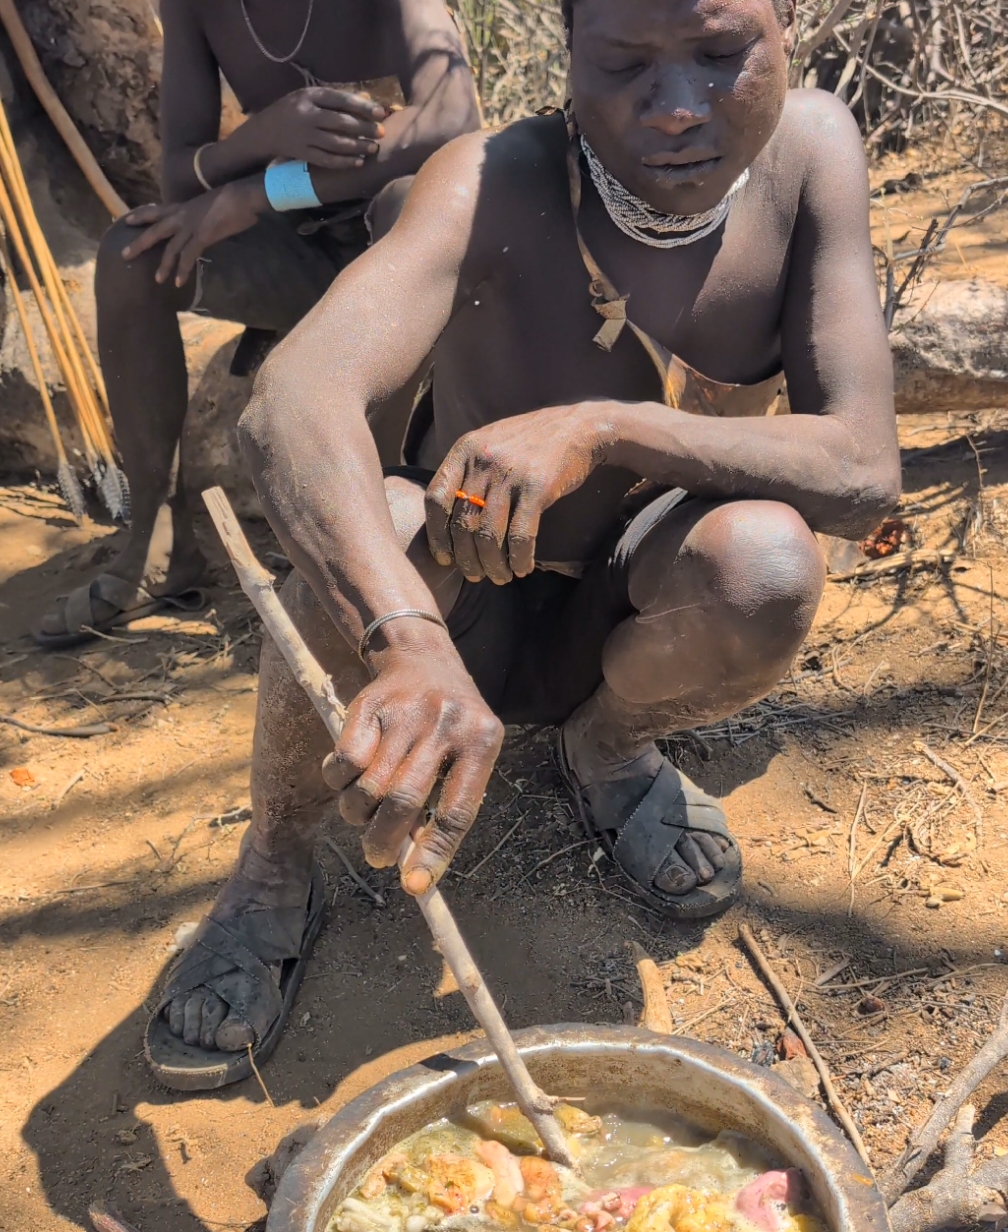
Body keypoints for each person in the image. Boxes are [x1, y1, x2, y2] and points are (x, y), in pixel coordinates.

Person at [145, 0, 900, 1091]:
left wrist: (600, 427)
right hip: (462, 616)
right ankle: (272, 867)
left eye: (722, 55)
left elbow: (864, 467)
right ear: (566, 60)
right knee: (377, 533)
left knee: (767, 566)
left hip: (640, 608)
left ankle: (611, 749)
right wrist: (402, 634)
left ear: (785, 28)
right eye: (626, 64)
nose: (680, 107)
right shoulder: (491, 177)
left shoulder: (814, 152)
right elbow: (293, 401)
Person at [35, 0, 480, 647]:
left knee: (405, 199)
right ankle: (156, 541)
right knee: (134, 257)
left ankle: (376, 532)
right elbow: (179, 178)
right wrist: (263, 134)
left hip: (404, 258)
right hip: (298, 252)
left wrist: (261, 190)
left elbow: (453, 121)